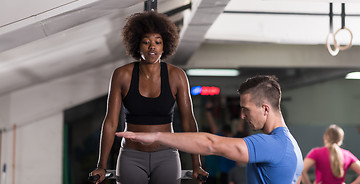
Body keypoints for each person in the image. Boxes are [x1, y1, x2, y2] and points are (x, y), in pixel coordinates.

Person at [89, 11, 207, 184]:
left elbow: (189, 122)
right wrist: (102, 165)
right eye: (146, 42)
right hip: (131, 156)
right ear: (137, 45)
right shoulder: (122, 75)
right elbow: (111, 123)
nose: (152, 46)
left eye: (157, 42)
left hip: (167, 155)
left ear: (164, 46)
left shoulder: (177, 76)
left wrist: (197, 164)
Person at [116, 75, 304, 183]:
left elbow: (210, 144)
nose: (242, 116)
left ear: (265, 108)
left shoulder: (272, 145)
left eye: (246, 110)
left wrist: (156, 136)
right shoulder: (291, 144)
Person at [204, 97, 247, 183]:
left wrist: (208, 111)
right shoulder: (232, 140)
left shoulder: (223, 140)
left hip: (229, 172)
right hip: (228, 172)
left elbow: (213, 127)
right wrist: (242, 110)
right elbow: (240, 126)